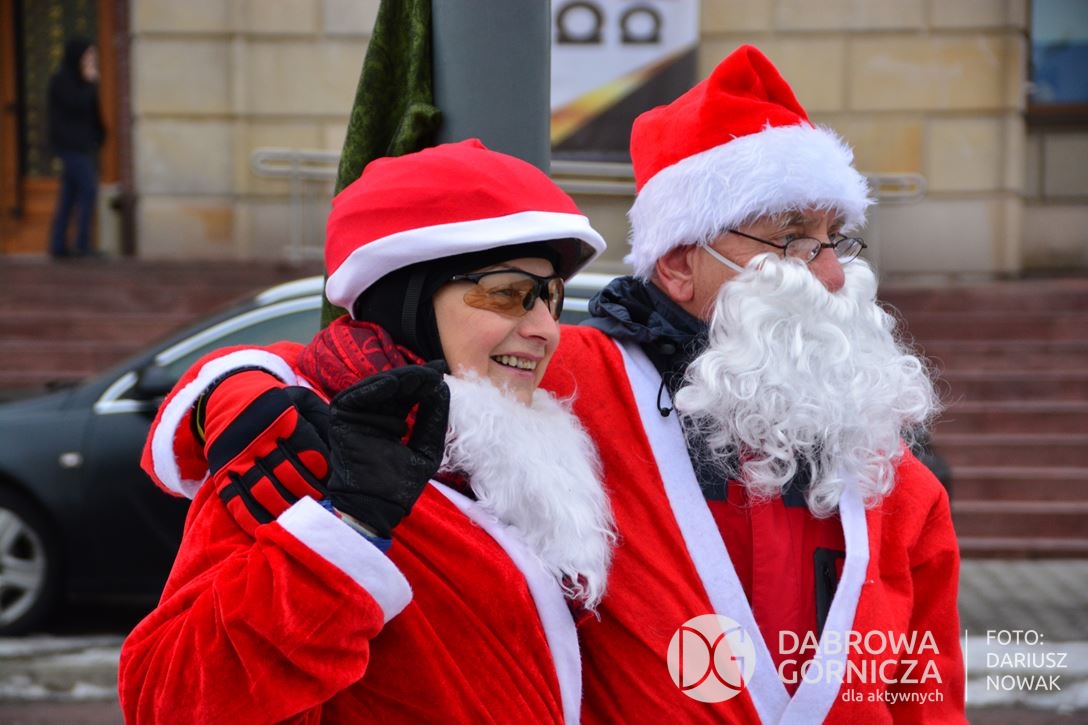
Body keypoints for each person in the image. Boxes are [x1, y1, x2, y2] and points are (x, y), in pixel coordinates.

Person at [118, 139, 615, 724]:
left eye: (550, 298)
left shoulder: (519, 446)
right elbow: (169, 702)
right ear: (407, 302)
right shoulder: (299, 459)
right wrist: (346, 532)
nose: (546, 330)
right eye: (507, 294)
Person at [539, 45, 966, 722]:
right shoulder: (565, 388)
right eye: (793, 239)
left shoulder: (896, 480)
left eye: (835, 237)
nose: (832, 275)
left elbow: (927, 699)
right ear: (680, 264)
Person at [47, 36, 106, 258]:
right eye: (88, 56)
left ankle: (58, 244)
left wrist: (100, 136)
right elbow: (76, 105)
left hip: (83, 145)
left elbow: (92, 113)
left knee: (69, 194)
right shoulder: (62, 81)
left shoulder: (84, 81)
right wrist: (91, 84)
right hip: (69, 146)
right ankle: (82, 243)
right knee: (88, 189)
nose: (91, 61)